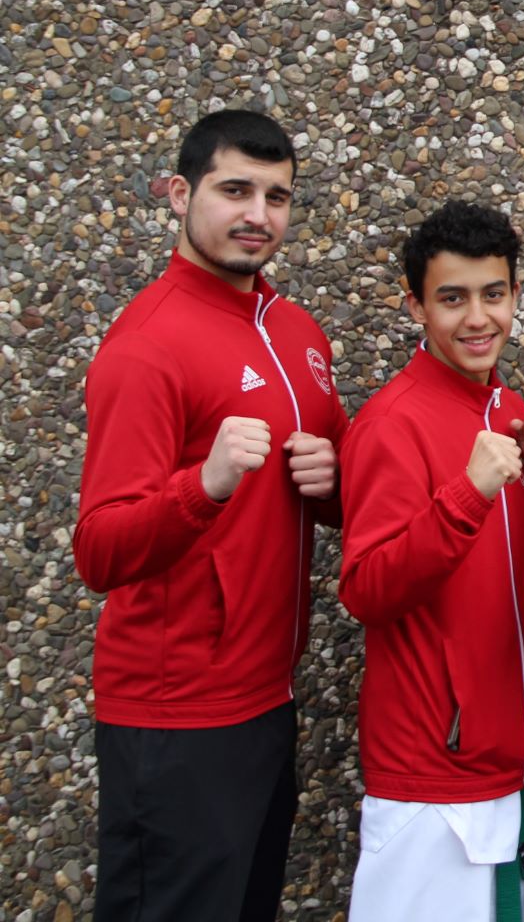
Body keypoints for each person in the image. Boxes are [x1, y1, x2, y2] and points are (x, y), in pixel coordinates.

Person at [74, 109, 347, 921]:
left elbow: (332, 498)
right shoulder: (146, 345)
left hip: (266, 699)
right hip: (175, 717)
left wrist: (332, 483)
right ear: (178, 194)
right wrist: (206, 484)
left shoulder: (296, 332)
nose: (258, 215)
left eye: (276, 196)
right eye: (235, 190)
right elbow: (99, 551)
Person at [338, 202, 524, 922]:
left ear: (516, 294)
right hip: (432, 784)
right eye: (452, 298)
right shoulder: (389, 423)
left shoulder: (507, 406)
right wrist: (468, 494)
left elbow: (519, 568)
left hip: (506, 767)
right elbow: (366, 589)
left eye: (493, 294)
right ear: (416, 306)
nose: (477, 318)